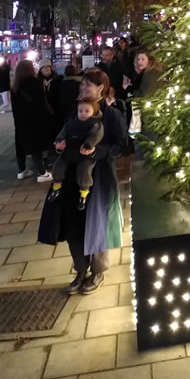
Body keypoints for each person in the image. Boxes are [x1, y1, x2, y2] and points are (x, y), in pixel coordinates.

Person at [38, 68, 127, 294]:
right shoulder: (75, 110)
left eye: (88, 84)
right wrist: (61, 144)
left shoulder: (111, 114)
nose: (84, 88)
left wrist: (97, 151)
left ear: (101, 88)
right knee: (72, 224)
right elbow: (64, 133)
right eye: (83, 84)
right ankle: (80, 269)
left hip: (99, 178)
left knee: (96, 224)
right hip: (70, 177)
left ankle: (98, 271)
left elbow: (122, 146)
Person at [50, 99, 104, 210]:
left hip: (85, 155)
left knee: (84, 172)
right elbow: (63, 132)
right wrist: (60, 142)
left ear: (94, 112)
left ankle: (83, 195)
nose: (83, 113)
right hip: (69, 152)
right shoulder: (71, 123)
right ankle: (56, 188)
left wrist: (88, 145)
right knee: (57, 167)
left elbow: (95, 136)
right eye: (80, 111)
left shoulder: (96, 125)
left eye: (87, 111)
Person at [10, 59, 54, 182]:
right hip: (35, 119)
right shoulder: (34, 82)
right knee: (36, 146)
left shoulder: (15, 85)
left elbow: (14, 106)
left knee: (21, 145)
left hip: (20, 121)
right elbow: (40, 103)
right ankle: (41, 173)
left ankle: (21, 170)